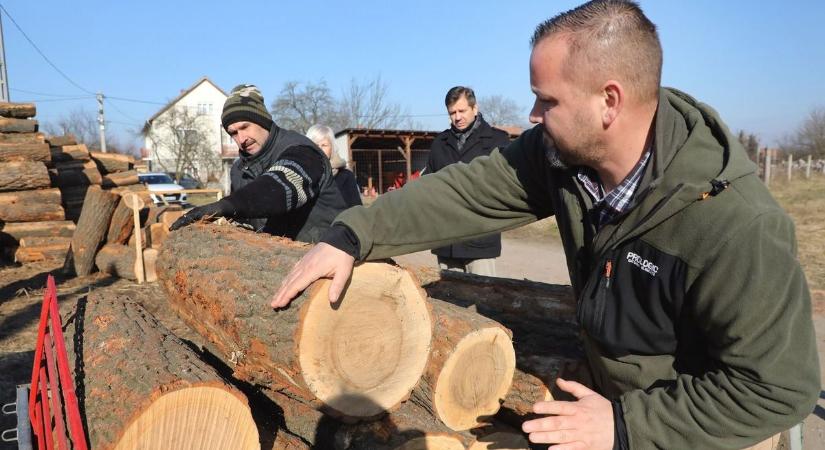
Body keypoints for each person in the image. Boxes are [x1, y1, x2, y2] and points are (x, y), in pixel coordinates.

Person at [269, 1, 820, 449]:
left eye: (546, 100)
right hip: (607, 404)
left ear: (609, 101)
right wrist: (352, 234)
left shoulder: (733, 224)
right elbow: (465, 191)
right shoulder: (562, 156)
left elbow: (779, 388)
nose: (532, 116)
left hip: (691, 430)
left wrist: (628, 427)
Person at [169, 84, 347, 243]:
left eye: (245, 127)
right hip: (274, 265)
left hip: (329, 255)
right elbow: (245, 223)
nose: (241, 139)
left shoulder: (302, 150)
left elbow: (280, 187)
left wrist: (225, 206)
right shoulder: (239, 170)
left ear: (262, 120)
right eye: (233, 133)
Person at [426, 86, 510, 276]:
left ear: (475, 108)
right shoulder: (439, 143)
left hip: (480, 237)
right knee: (447, 302)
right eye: (452, 112)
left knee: (486, 301)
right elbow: (428, 185)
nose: (457, 117)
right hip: (446, 240)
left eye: (462, 111)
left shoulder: (498, 141)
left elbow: (507, 185)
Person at [306, 124, 363, 208]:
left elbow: (355, 210)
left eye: (324, 145)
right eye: (315, 145)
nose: (319, 149)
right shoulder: (300, 174)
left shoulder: (346, 176)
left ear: (332, 148)